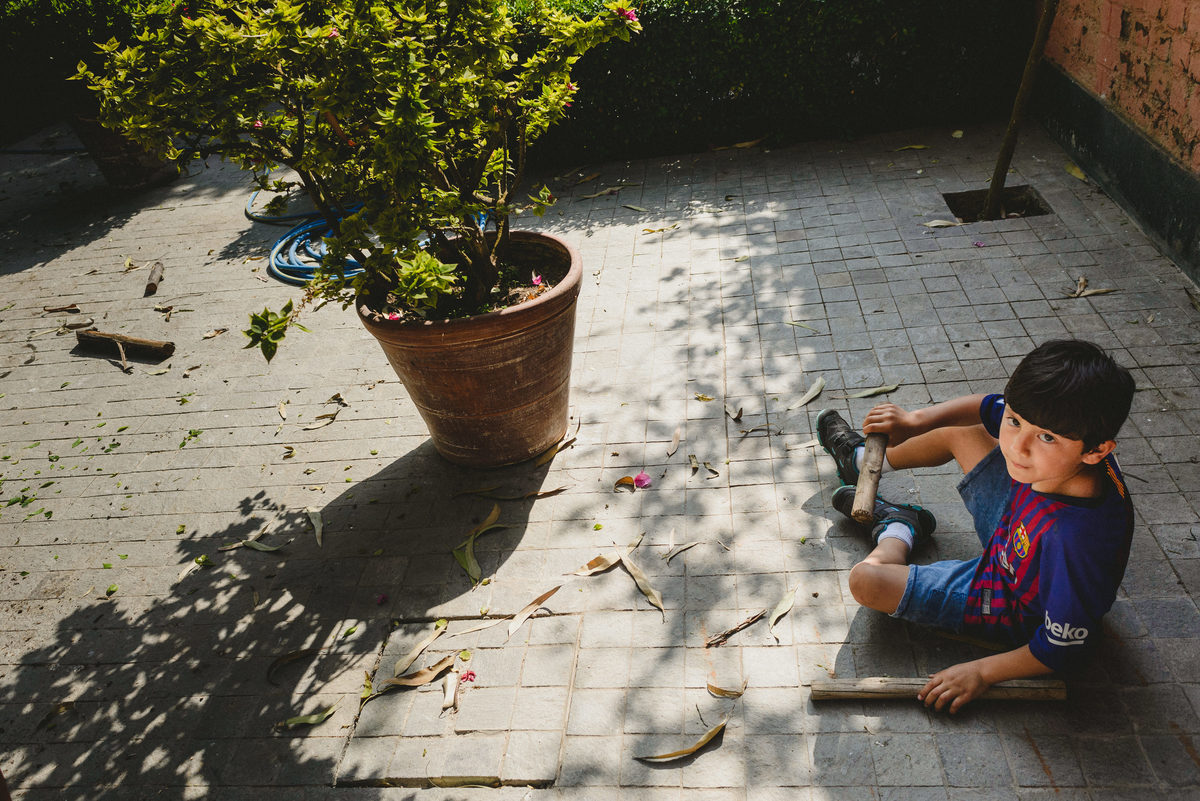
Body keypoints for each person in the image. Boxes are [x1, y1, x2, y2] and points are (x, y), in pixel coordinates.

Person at [817, 339, 1136, 713]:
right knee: (961, 428)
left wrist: (982, 673)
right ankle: (861, 461)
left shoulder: (1076, 542)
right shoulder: (1060, 442)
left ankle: (899, 526)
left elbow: (1063, 647)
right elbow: (988, 407)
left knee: (866, 582)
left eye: (1046, 438)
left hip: (1010, 599)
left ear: (1097, 451)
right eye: (1016, 422)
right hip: (1018, 525)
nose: (1018, 446)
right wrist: (914, 420)